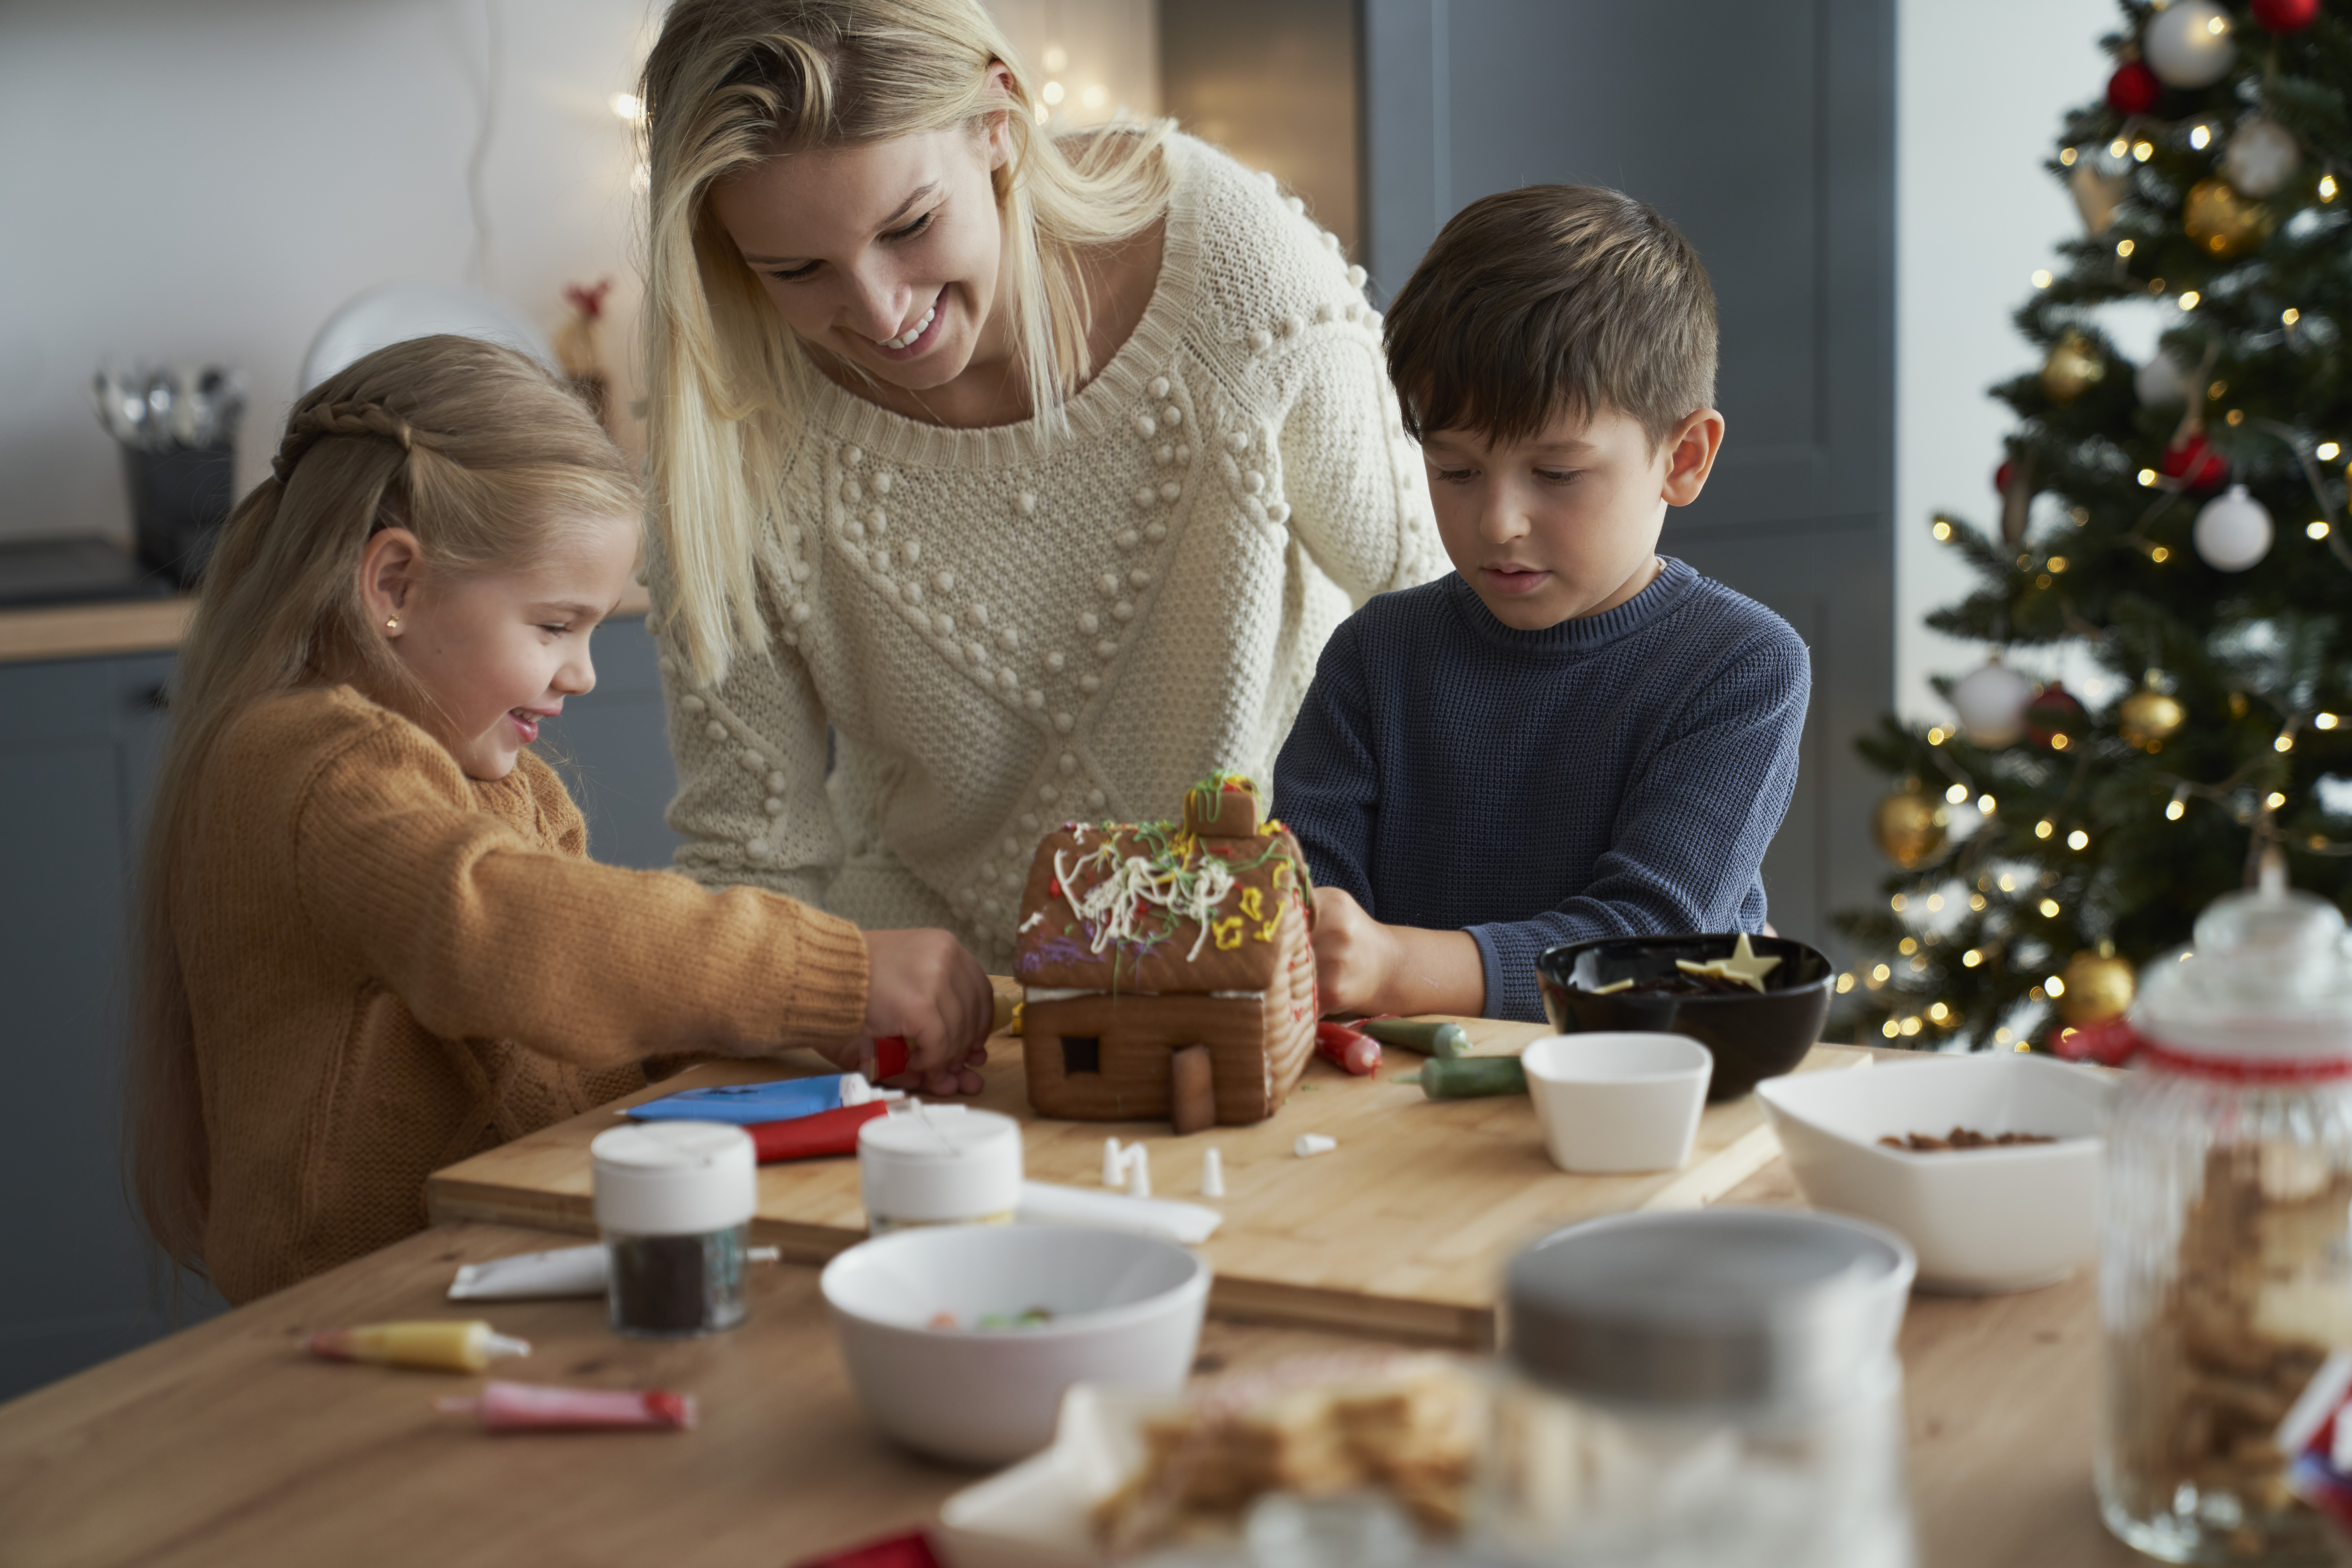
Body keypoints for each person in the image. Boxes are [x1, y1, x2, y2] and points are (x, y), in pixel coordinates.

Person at [127, 336, 992, 1303]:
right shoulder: (307, 761)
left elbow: (570, 1035)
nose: (581, 673)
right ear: (395, 587)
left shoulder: (509, 786)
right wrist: (831, 977)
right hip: (352, 1312)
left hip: (487, 1265)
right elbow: (493, 935)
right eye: (552, 626)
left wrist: (787, 1049)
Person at [634, 0, 1444, 979]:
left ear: (997, 121)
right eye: (796, 270)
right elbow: (751, 867)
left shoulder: (1223, 264)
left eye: (910, 225)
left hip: (1271, 954)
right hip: (940, 996)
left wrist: (1391, 943)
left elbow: (1436, 618)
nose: (881, 313)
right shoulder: (732, 432)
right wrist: (828, 1005)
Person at [1273, 186, 1810, 1025]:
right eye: (1454, 470)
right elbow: (1310, 902)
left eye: (1556, 474)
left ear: (1684, 457)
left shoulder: (1742, 665)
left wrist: (1396, 968)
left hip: (1654, 1105)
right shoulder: (1375, 656)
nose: (1497, 521)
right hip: (1403, 1113)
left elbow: (1654, 941)